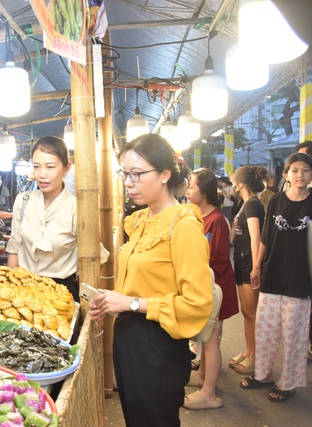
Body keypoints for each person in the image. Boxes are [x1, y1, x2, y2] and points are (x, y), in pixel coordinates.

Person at [89, 134, 213, 427]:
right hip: (129, 337)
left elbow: (197, 304)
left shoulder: (183, 226)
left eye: (137, 174)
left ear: (164, 174)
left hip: (159, 345)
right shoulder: (141, 220)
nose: (128, 182)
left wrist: (131, 303)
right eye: (125, 174)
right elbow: (144, 284)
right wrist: (112, 302)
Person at [241, 153, 312, 402]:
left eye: (306, 170)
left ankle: (288, 383)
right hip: (273, 273)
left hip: (301, 278)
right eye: (295, 170)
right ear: (286, 175)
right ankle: (263, 373)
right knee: (266, 329)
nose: (301, 175)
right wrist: (256, 267)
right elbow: (265, 236)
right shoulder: (275, 200)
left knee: (294, 334)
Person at [184, 168, 239, 410]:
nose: (187, 190)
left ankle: (209, 394)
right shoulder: (197, 215)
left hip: (216, 287)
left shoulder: (217, 220)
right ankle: (203, 375)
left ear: (204, 192)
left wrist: (188, 261)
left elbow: (218, 259)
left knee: (211, 339)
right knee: (206, 336)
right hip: (205, 284)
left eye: (191, 186)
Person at [6, 136, 78, 300]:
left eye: (50, 167)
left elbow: (92, 261)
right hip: (24, 290)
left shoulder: (77, 209)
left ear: (66, 168)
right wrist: (9, 290)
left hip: (61, 293)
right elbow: (14, 250)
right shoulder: (23, 201)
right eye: (36, 167)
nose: (42, 175)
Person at [228, 165, 266, 375]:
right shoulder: (244, 204)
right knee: (246, 311)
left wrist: (256, 267)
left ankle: (256, 356)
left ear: (240, 183)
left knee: (253, 312)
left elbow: (256, 237)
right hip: (241, 260)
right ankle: (248, 350)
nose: (233, 185)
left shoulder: (252, 204)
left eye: (234, 181)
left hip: (249, 261)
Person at [295, 141, 312, 358]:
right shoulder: (291, 186)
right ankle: (298, 339)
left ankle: (311, 339)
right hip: (295, 250)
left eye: (303, 161)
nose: (299, 172)